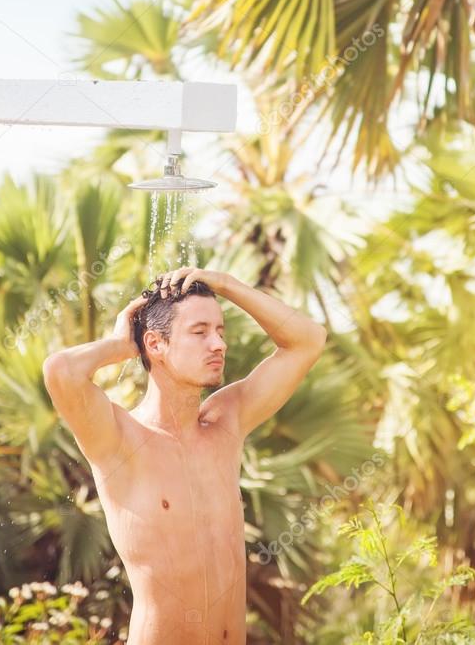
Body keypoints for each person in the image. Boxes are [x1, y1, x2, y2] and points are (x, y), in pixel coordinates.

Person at [42, 266, 327, 645]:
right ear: (156, 345)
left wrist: (225, 284)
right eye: (200, 332)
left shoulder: (226, 423)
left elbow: (308, 340)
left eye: (220, 332)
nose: (219, 344)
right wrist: (121, 345)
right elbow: (61, 371)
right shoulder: (120, 439)